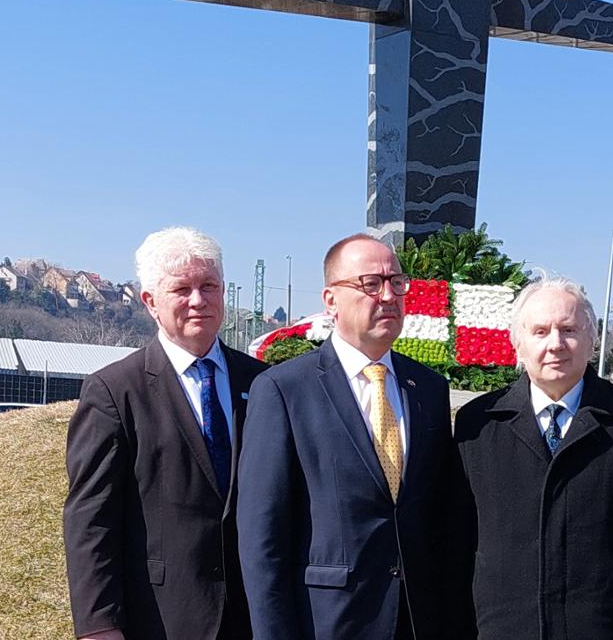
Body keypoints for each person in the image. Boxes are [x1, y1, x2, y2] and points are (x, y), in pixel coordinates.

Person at [238, 234, 465, 640]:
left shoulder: (428, 388)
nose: (389, 295)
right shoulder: (284, 389)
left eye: (397, 282)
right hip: (327, 621)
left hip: (417, 620)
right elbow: (262, 537)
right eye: (370, 284)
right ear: (330, 300)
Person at [64, 227, 266, 640]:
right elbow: (91, 518)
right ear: (151, 302)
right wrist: (99, 625)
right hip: (161, 617)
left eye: (209, 286)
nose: (198, 300)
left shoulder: (262, 383)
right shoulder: (115, 390)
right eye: (182, 289)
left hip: (255, 616)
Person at [452, 278, 613, 640]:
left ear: (592, 339)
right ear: (518, 344)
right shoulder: (477, 424)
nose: (555, 344)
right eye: (540, 331)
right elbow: (457, 549)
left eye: (569, 329)